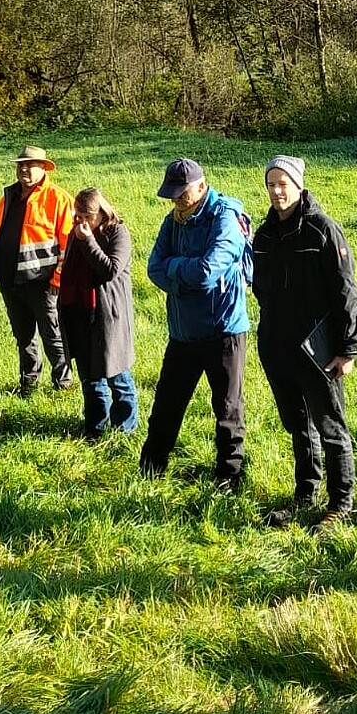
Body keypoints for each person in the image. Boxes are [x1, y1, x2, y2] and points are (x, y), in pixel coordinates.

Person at [252, 155, 357, 526]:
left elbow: (346, 292)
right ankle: (305, 495)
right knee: (297, 426)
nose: (276, 191)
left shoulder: (323, 230)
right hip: (276, 347)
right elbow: (262, 290)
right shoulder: (264, 235)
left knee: (330, 427)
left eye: (283, 183)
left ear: (299, 185)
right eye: (271, 184)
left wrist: (348, 348)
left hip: (318, 351)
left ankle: (340, 504)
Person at [140, 158, 250, 489]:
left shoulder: (225, 218)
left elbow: (206, 273)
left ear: (201, 187)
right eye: (172, 195)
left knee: (227, 409)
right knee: (166, 405)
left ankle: (229, 476)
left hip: (223, 330)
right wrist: (183, 268)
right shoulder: (171, 221)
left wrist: (175, 268)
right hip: (183, 331)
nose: (176, 201)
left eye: (182, 193)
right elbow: (152, 269)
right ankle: (150, 470)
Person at [0, 146, 74, 395]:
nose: (24, 169)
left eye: (31, 165)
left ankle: (62, 384)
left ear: (44, 168)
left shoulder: (58, 199)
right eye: (21, 165)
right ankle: (29, 382)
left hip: (43, 283)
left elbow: (68, 247)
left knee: (53, 336)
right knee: (23, 336)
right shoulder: (8, 196)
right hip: (10, 280)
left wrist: (57, 279)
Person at [57, 187, 139, 440]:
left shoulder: (118, 233)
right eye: (77, 215)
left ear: (101, 213)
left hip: (108, 317)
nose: (81, 221)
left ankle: (125, 429)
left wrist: (88, 241)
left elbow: (110, 270)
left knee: (117, 374)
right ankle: (95, 428)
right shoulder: (77, 231)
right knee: (90, 379)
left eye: (87, 216)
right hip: (79, 313)